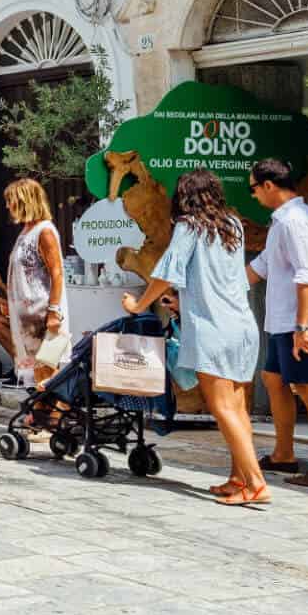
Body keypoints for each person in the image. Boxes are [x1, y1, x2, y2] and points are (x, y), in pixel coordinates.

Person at [122, 168, 265, 506]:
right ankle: (238, 477)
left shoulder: (189, 226)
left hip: (212, 327)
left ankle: (256, 482)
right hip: (242, 325)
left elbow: (166, 272)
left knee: (222, 408)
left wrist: (139, 304)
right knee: (237, 407)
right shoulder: (232, 225)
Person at [246, 157, 308, 491]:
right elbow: (261, 266)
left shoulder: (297, 222)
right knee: (273, 379)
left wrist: (303, 327)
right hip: (281, 322)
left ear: (269, 185)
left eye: (254, 189)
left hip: (297, 323)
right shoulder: (282, 222)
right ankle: (283, 453)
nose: (254, 196)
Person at [3, 178, 68, 387]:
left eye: (11, 201)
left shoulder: (44, 231)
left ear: (25, 202)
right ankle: (39, 415)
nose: (7, 206)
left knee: (47, 373)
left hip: (43, 316)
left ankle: (50, 416)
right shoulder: (25, 232)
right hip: (27, 320)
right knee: (35, 375)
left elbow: (57, 273)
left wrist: (54, 311)